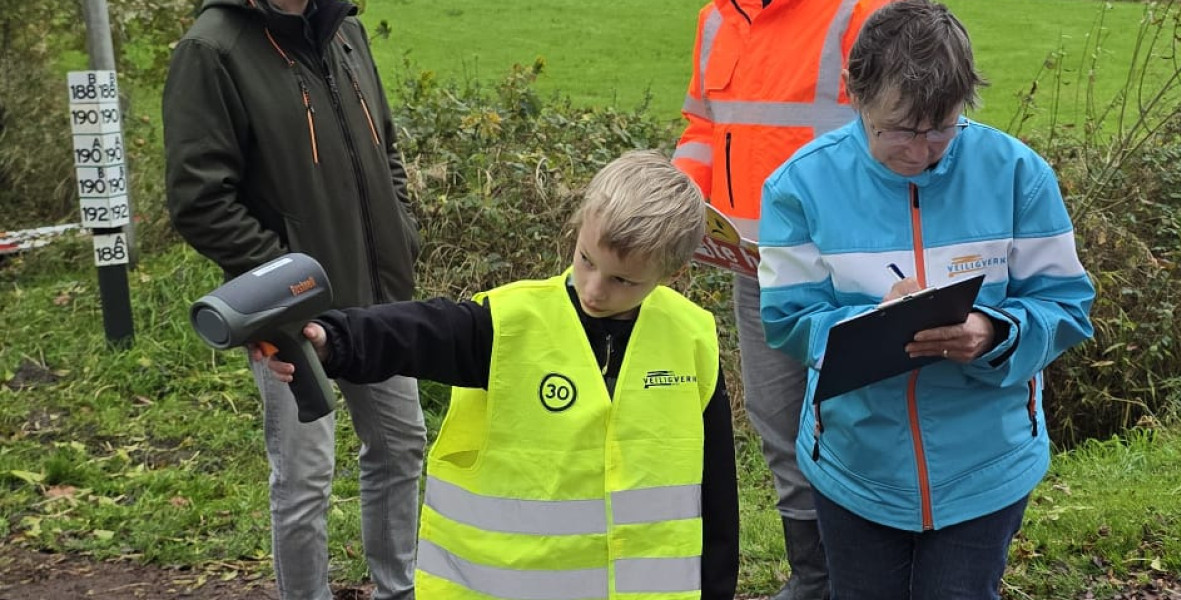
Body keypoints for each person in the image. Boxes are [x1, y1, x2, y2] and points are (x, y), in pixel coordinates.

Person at [260, 151, 741, 600]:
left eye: (622, 280)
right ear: (578, 229)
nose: (594, 289)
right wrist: (334, 340)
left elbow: (717, 494)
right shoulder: (510, 322)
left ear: (671, 274)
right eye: (586, 260)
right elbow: (421, 331)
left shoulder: (691, 337)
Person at [756, 2, 1096, 598]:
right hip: (855, 464)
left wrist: (994, 333)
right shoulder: (799, 187)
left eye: (942, 129)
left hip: (987, 464)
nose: (921, 152)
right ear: (854, 93)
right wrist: (872, 324)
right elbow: (787, 320)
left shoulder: (1019, 175)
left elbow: (1066, 304)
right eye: (900, 130)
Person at [162, 0, 426, 598]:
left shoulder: (345, 29)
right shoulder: (214, 48)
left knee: (401, 443)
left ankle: (397, 590)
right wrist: (285, 281)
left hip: (378, 302)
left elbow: (386, 153)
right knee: (307, 475)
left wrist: (402, 231)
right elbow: (200, 200)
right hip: (290, 315)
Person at [671, 1, 894, 596]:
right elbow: (703, 125)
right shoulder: (717, 17)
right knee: (778, 421)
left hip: (846, 262)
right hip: (756, 264)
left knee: (856, 416)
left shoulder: (862, 11)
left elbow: (899, 126)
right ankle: (816, 577)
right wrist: (683, 207)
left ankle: (868, 572)